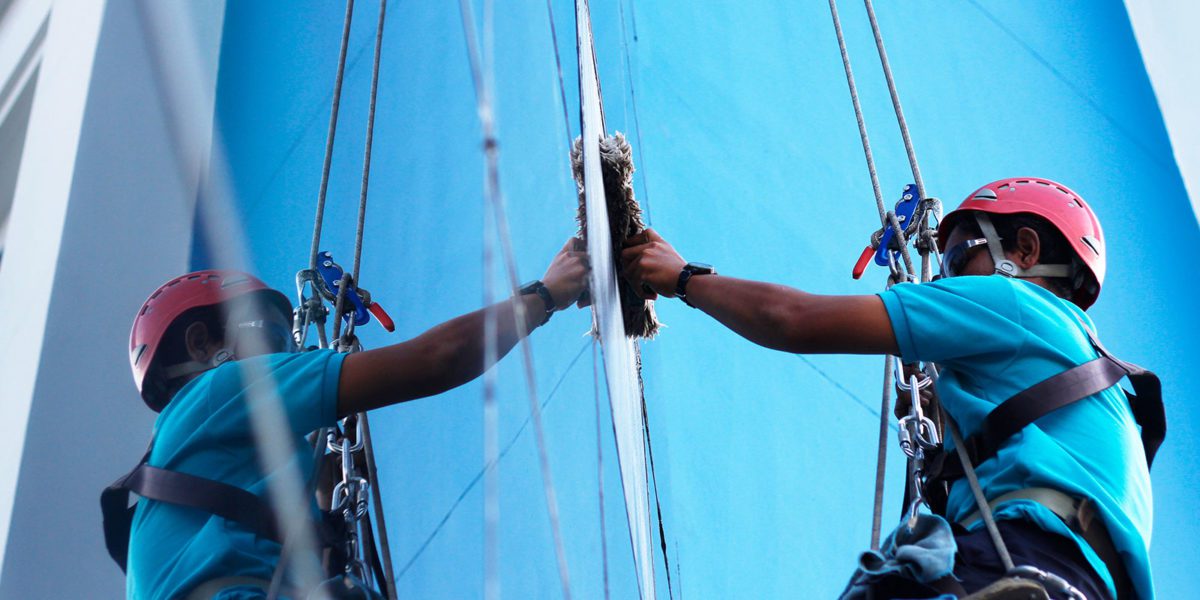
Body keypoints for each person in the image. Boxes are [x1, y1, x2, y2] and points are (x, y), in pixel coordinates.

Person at [620, 178, 1161, 599]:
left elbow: (791, 319)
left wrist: (683, 278)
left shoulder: (1016, 303)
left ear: (1023, 249)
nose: (943, 281)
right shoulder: (1094, 381)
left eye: (957, 259)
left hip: (1019, 562)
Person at [105, 239, 589, 600]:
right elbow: (436, 358)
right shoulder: (219, 390)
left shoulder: (192, 466)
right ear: (198, 345)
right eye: (267, 339)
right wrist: (545, 296)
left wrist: (322, 498)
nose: (280, 361)